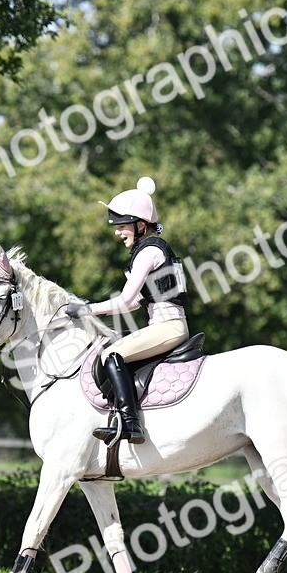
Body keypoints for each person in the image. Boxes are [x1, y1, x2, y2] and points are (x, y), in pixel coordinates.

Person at [66, 176, 189, 444]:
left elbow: (123, 301)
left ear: (141, 225)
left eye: (122, 226)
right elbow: (135, 303)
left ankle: (130, 423)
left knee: (111, 354)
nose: (117, 232)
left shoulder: (148, 252)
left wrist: (87, 309)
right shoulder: (149, 250)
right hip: (163, 323)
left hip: (168, 326)